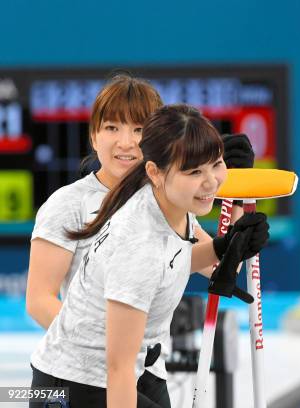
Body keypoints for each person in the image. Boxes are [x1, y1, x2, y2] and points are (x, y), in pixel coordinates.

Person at [25, 75, 254, 407]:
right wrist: (110, 349)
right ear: (93, 135)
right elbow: (38, 300)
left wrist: (237, 190)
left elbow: (222, 263)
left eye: (139, 129)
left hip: (143, 369)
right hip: (81, 375)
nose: (126, 142)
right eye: (112, 128)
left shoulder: (164, 198)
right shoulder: (70, 204)